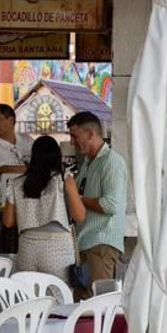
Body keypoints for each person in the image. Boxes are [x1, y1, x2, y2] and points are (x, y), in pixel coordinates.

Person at [3, 134, 85, 281]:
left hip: (27, 248)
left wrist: (28, 215)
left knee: (29, 299)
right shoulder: (64, 179)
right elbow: (79, 216)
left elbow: (8, 222)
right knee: (59, 297)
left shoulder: (16, 183)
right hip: (57, 248)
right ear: (57, 156)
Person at [68, 112, 128, 293]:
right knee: (81, 307)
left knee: (97, 307)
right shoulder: (87, 163)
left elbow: (111, 205)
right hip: (84, 242)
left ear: (90, 134)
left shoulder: (111, 161)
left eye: (75, 136)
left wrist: (78, 199)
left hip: (101, 243)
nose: (72, 142)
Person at [0, 103, 32, 196]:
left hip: (25, 194)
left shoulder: (27, 140)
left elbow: (41, 158)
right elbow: (4, 169)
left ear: (11, 120)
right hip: (1, 196)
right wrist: (35, 169)